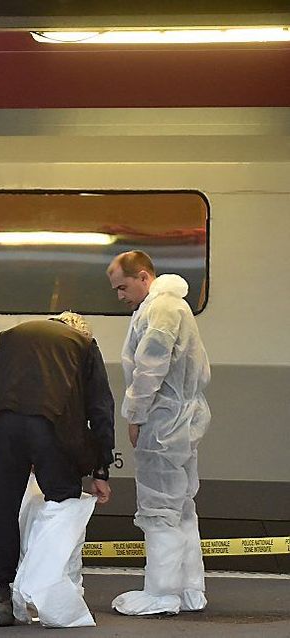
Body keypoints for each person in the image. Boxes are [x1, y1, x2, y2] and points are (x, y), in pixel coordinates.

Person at [0, 313, 114, 627]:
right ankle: (52, 593)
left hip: (5, 427)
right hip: (52, 430)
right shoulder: (83, 343)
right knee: (61, 507)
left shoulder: (13, 336)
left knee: (3, 509)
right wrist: (100, 469)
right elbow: (100, 407)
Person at [106, 250, 211, 616]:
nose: (120, 296)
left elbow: (150, 368)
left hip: (163, 422)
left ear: (143, 276)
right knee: (181, 508)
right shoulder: (172, 308)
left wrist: (134, 415)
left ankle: (163, 592)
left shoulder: (161, 310)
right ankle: (190, 589)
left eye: (123, 286)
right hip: (180, 422)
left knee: (159, 509)